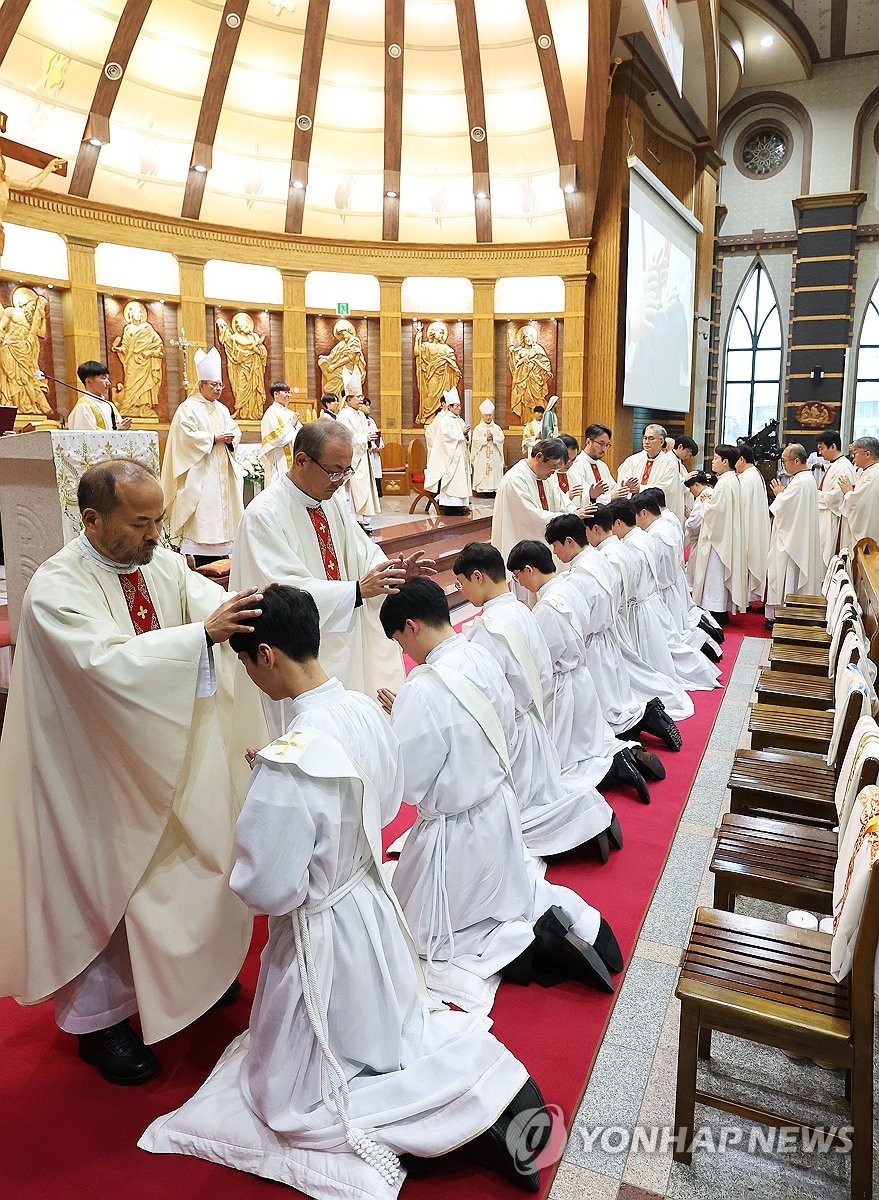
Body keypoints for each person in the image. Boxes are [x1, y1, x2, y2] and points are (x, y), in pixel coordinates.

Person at [141, 584, 550, 1196]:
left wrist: (267, 792)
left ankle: (466, 1102)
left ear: (268, 656)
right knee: (383, 1030)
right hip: (367, 904)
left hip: (323, 927)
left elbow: (269, 888)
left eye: (248, 665)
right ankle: (478, 1092)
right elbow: (381, 800)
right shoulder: (363, 708)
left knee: (289, 1091)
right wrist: (279, 777)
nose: (252, 678)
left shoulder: (289, 761)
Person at [0, 459, 267, 1084]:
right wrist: (197, 640)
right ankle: (100, 1024)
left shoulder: (156, 561)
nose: (154, 536)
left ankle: (187, 980)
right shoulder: (55, 591)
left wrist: (244, 609)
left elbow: (203, 601)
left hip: (160, 751)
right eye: (140, 523)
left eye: (158, 521)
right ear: (91, 520)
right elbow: (102, 668)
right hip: (93, 773)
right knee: (105, 887)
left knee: (185, 863)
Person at [379, 579, 624, 997]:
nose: (406, 653)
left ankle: (529, 948)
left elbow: (412, 785)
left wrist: (394, 728)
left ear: (411, 626)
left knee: (417, 933)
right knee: (512, 895)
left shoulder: (422, 688)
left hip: (456, 833)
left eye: (401, 641)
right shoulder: (478, 653)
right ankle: (576, 920)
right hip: (499, 809)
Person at [230, 420, 434, 734]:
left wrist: (392, 573)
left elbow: (364, 554)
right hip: (298, 654)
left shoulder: (331, 503)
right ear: (301, 461)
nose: (340, 481)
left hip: (344, 639)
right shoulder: (264, 515)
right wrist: (354, 591)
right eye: (334, 471)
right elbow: (283, 593)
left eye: (346, 471)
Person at [453, 542, 634, 855]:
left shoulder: (488, 629)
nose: (463, 591)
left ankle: (587, 817)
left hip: (514, 728)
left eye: (462, 583)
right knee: (541, 792)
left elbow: (487, 694)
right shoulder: (522, 611)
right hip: (533, 721)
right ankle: (588, 810)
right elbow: (544, 671)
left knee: (512, 818)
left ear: (478, 577)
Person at [506, 538, 660, 800]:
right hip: (582, 677)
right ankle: (624, 754)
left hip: (562, 685)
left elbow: (543, 659)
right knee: (588, 741)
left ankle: (613, 769)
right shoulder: (569, 587)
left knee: (565, 762)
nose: (520, 583)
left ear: (529, 570)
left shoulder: (546, 607)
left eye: (518, 575)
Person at [544, 511, 682, 752]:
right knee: (616, 696)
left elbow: (578, 619)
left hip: (592, 642)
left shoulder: (579, 577)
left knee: (605, 707)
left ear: (569, 541)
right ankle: (643, 716)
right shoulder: (599, 560)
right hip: (607, 635)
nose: (555, 553)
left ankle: (643, 720)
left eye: (556, 546)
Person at [615, 498, 720, 691]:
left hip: (653, 597)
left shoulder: (645, 538)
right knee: (670, 641)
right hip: (660, 593)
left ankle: (703, 660)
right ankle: (704, 657)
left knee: (667, 646)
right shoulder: (658, 528)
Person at [161, 347, 244, 562]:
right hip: (201, 471)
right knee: (203, 512)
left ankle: (224, 551)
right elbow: (185, 437)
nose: (218, 389)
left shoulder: (222, 409)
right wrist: (212, 439)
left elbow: (234, 429)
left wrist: (231, 438)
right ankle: (200, 555)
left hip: (222, 469)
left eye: (220, 385)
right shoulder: (187, 408)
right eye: (213, 385)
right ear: (201, 385)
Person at [633, 491, 722, 665]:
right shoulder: (668, 521)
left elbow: (656, 572)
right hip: (673, 585)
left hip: (663, 591)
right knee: (679, 629)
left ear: (644, 513)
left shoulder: (655, 535)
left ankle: (704, 652)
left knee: (672, 638)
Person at [491, 438, 587, 577]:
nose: (553, 473)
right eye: (553, 467)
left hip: (542, 548)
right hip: (522, 549)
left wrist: (574, 513)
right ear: (539, 457)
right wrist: (569, 518)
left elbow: (562, 501)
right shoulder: (515, 480)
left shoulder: (544, 476)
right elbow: (531, 517)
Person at [690, 444, 749, 625]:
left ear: (725, 461)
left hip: (718, 540)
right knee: (717, 575)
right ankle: (718, 608)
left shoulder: (725, 482)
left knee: (715, 573)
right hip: (724, 536)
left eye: (716, 458)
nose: (713, 461)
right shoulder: (730, 479)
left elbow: (717, 513)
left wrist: (706, 502)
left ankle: (716, 610)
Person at [765, 443, 822, 624]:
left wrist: (779, 494)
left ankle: (786, 614)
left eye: (784, 461)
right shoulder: (805, 479)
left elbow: (783, 509)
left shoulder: (800, 482)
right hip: (796, 536)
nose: (783, 466)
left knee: (788, 576)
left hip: (791, 542)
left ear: (797, 460)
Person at [616, 424, 685, 524]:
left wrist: (640, 488)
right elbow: (623, 479)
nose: (647, 442)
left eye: (651, 438)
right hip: (635, 513)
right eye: (645, 438)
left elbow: (666, 488)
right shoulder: (632, 460)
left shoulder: (669, 463)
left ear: (661, 441)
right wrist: (627, 487)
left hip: (656, 516)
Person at [0, 285, 53, 416]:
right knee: (12, 378)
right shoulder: (11, 312)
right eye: (32, 306)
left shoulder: (31, 323)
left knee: (25, 379)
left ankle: (25, 406)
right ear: (24, 303)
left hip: (25, 353)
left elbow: (41, 333)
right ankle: (13, 407)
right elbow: (1, 327)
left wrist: (42, 316)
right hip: (10, 349)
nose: (33, 309)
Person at [111, 301, 165, 419]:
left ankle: (144, 408)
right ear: (130, 315)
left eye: (139, 312)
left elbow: (158, 343)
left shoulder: (147, 327)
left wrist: (150, 352)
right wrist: (119, 348)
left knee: (146, 385)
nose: (138, 314)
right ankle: (128, 407)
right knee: (130, 384)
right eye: (135, 312)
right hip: (133, 360)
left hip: (146, 361)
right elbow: (125, 345)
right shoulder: (128, 328)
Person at [424, 391, 471, 514]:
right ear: (449, 407)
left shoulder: (459, 420)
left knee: (461, 480)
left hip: (460, 455)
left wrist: (466, 434)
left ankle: (460, 505)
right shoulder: (445, 420)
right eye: (456, 406)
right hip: (451, 457)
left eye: (460, 406)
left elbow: (464, 436)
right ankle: (450, 507)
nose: (459, 408)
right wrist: (461, 433)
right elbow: (446, 436)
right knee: (453, 482)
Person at [215, 312, 268, 422]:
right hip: (240, 368)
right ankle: (240, 410)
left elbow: (263, 351)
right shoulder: (235, 338)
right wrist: (223, 326)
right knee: (240, 388)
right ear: (238, 328)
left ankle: (255, 412)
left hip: (254, 368)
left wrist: (256, 350)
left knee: (254, 391)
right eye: (243, 325)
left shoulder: (255, 337)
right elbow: (228, 344)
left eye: (246, 324)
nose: (246, 327)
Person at [336, 390, 380, 521]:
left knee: (363, 487)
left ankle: (362, 520)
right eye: (357, 397)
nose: (361, 399)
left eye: (361, 396)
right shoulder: (343, 416)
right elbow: (344, 437)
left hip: (363, 457)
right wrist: (364, 438)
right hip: (353, 458)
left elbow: (366, 435)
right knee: (353, 489)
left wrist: (369, 440)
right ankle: (353, 520)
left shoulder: (361, 415)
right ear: (348, 399)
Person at [734, 444, 770, 604]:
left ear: (741, 459)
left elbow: (739, 505)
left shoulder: (747, 478)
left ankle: (745, 598)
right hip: (754, 525)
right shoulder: (753, 474)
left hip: (748, 526)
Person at [815, 429, 856, 567]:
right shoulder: (835, 464)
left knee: (828, 557)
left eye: (822, 448)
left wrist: (814, 495)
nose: (820, 453)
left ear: (833, 446)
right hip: (825, 517)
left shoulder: (843, 467)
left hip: (833, 519)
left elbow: (836, 498)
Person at [414, 320, 462, 425]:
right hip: (432, 374)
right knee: (431, 395)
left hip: (444, 375)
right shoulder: (426, 346)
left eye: (442, 332)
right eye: (439, 332)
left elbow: (452, 359)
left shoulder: (446, 348)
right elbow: (417, 353)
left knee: (444, 397)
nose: (441, 334)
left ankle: (443, 416)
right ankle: (429, 416)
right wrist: (418, 337)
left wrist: (452, 365)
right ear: (433, 333)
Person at [567, 423, 626, 504]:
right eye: (601, 444)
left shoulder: (602, 465)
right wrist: (609, 497)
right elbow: (583, 496)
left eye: (607, 445)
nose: (604, 449)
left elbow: (612, 488)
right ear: (588, 442)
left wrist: (622, 489)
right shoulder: (575, 464)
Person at [67, 360, 131, 431]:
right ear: (88, 381)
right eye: (103, 378)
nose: (108, 383)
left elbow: (119, 428)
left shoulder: (110, 405)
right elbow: (88, 436)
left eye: (108, 378)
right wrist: (116, 430)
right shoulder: (83, 406)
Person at [260, 381, 302, 488]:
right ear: (276, 394)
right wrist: (291, 425)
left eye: (289, 392)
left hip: (293, 457)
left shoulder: (291, 413)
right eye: (285, 392)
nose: (288, 395)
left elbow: (300, 435)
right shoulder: (271, 413)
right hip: (279, 459)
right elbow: (277, 439)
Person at [840, 436, 879, 549]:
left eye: (855, 453)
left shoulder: (873, 475)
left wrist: (848, 493)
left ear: (867, 454)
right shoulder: (868, 471)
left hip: (869, 535)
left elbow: (862, 506)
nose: (853, 458)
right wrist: (855, 488)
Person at [508, 325, 552, 419]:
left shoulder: (538, 349)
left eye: (529, 339)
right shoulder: (520, 351)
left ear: (533, 339)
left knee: (537, 398)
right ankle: (527, 420)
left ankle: (541, 418)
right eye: (526, 340)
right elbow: (515, 365)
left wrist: (536, 364)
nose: (528, 341)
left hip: (535, 378)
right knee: (526, 399)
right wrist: (512, 354)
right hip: (523, 378)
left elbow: (545, 362)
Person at [318, 319, 367, 402]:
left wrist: (334, 366)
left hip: (348, 371)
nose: (342, 336)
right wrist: (325, 358)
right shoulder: (341, 343)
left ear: (348, 330)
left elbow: (349, 358)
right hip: (339, 369)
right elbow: (333, 355)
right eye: (340, 334)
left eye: (343, 333)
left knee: (340, 387)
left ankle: (343, 404)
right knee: (328, 384)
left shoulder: (354, 341)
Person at [684, 472, 713, 587]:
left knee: (696, 576)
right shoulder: (712, 492)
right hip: (709, 539)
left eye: (691, 488)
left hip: (700, 539)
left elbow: (694, 524)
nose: (691, 492)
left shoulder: (703, 496)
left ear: (696, 484)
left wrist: (688, 520)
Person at [470, 398, 504, 495]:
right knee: (482, 469)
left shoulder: (497, 428)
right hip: (482, 454)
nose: (488, 417)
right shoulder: (478, 428)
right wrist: (485, 439)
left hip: (494, 454)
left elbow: (501, 438)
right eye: (486, 415)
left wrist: (494, 438)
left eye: (490, 415)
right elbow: (475, 440)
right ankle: (482, 490)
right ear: (483, 416)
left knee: (494, 472)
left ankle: (494, 490)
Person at [362, 397, 384, 497]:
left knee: (376, 472)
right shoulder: (361, 421)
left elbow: (376, 434)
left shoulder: (371, 420)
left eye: (369, 405)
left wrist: (380, 445)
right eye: (366, 405)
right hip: (367, 451)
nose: (368, 407)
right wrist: (373, 446)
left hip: (374, 453)